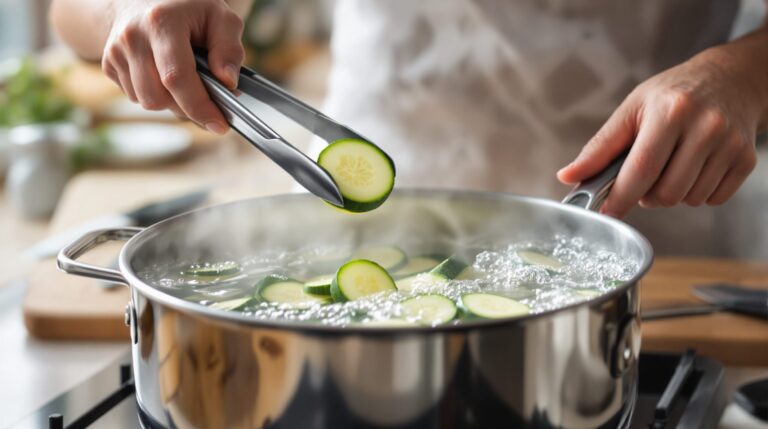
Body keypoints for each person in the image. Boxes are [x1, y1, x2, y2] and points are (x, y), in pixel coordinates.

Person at [50, 0, 768, 255]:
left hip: (663, 225)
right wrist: (126, 10)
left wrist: (742, 75)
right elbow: (68, 11)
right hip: (361, 221)